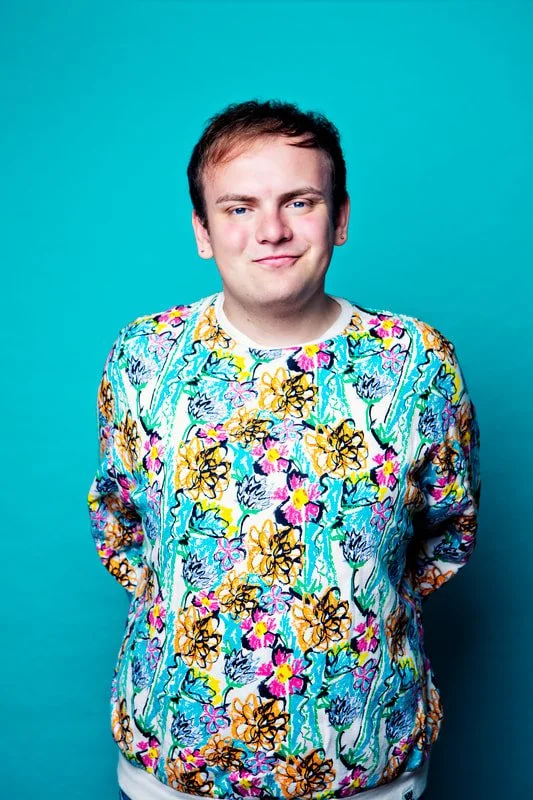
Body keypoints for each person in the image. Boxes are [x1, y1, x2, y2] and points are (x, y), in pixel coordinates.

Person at [88, 99, 481, 800]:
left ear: (340, 218)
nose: (271, 230)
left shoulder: (416, 362)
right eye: (239, 208)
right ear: (203, 231)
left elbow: (447, 535)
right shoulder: (142, 358)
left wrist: (357, 611)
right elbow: (120, 527)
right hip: (174, 771)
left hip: (367, 771)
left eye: (299, 201)